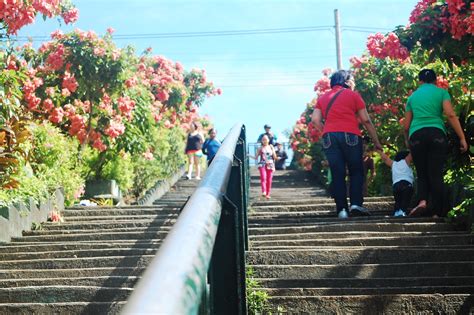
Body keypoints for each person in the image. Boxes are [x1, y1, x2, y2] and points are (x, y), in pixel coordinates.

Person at [311, 70, 382, 219]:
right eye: (353, 80)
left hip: (330, 137)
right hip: (351, 135)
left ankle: (342, 210)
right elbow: (366, 120)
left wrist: (327, 131)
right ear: (347, 81)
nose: (354, 83)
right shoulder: (353, 95)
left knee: (337, 174)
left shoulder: (323, 97)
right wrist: (376, 141)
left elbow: (315, 120)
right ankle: (355, 204)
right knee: (356, 170)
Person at [404, 69, 468, 217]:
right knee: (436, 173)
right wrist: (462, 137)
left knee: (422, 172)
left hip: (417, 136)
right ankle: (438, 212)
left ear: (419, 81)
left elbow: (406, 125)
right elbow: (450, 114)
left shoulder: (412, 97)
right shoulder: (441, 93)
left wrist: (407, 140)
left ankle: (422, 202)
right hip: (436, 134)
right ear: (435, 81)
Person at [378, 150, 414, 217]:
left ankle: (396, 212)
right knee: (405, 200)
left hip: (396, 186)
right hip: (406, 184)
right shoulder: (406, 161)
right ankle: (402, 211)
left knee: (398, 201)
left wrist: (379, 151)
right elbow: (412, 153)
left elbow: (385, 159)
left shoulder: (393, 163)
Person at [250, 135, 277, 199]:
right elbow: (256, 157)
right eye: (263, 139)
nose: (264, 141)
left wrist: (274, 166)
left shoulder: (271, 147)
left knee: (269, 180)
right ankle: (264, 192)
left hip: (270, 164)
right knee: (263, 177)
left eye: (266, 139)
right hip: (262, 164)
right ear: (262, 141)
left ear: (268, 140)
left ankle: (268, 194)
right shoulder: (260, 148)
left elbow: (274, 157)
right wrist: (248, 155)